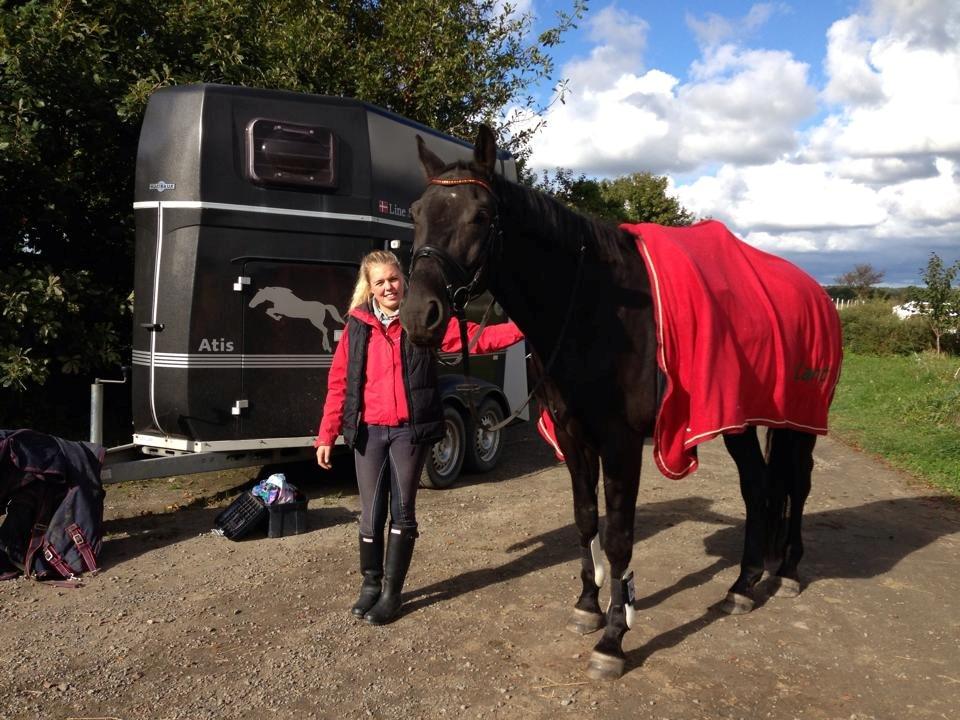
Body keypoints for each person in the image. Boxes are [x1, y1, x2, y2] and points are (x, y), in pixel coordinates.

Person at [314, 250, 523, 625]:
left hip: (409, 432)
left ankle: (392, 594)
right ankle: (370, 585)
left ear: (404, 280)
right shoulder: (358, 326)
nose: (388, 287)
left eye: (393, 278)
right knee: (370, 514)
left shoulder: (422, 322)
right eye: (380, 282)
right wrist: (326, 434)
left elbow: (475, 339)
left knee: (403, 512)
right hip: (369, 432)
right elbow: (339, 382)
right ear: (370, 287)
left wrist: (523, 328)